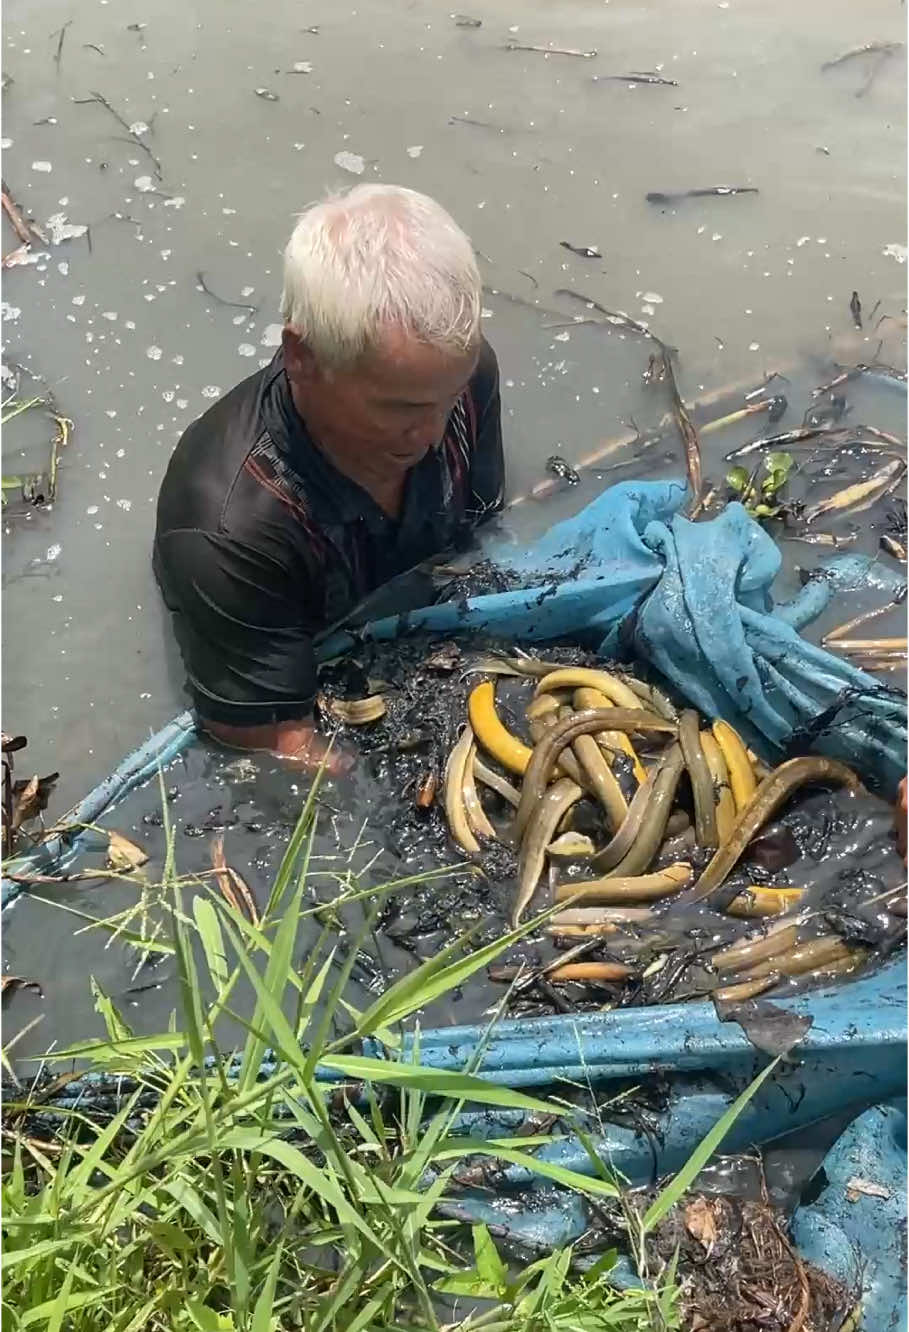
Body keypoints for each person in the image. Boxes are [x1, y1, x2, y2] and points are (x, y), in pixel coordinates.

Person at [154, 185, 504, 770]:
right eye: (398, 409)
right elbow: (274, 742)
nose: (433, 434)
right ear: (301, 357)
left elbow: (487, 533)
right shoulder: (228, 532)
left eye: (449, 396)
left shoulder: (458, 377)